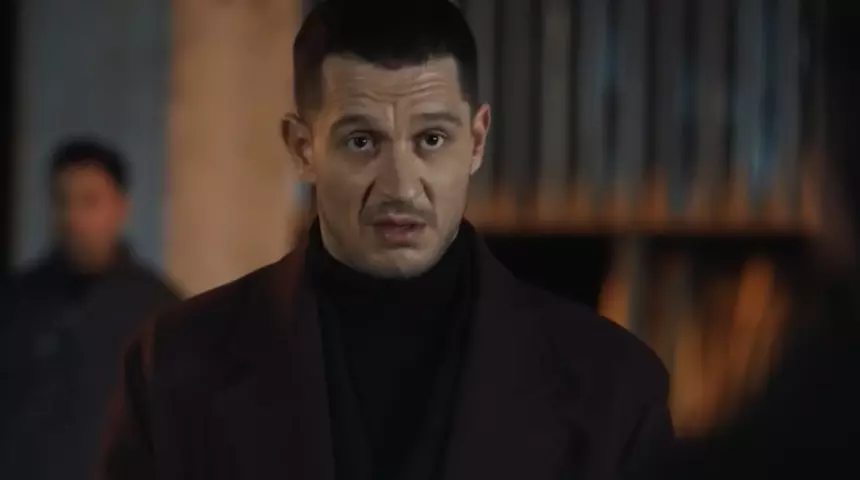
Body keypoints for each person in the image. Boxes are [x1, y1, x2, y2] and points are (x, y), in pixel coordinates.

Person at [99, 2, 672, 479]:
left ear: (476, 142)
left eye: (431, 139)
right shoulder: (173, 367)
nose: (401, 186)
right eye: (361, 142)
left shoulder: (613, 386)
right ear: (302, 148)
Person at [0, 138, 180, 480]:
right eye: (62, 200)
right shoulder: (15, 300)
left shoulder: (160, 311)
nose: (73, 218)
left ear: (121, 208)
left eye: (89, 202)